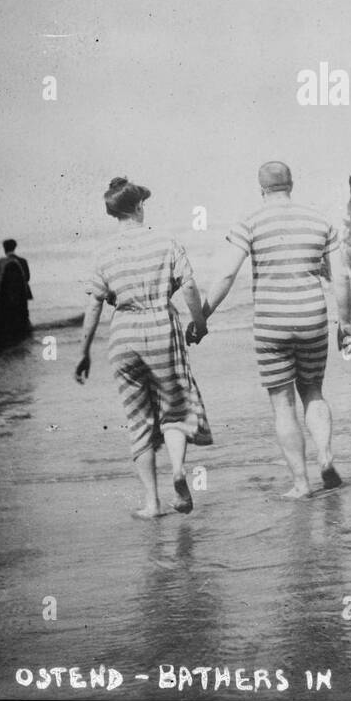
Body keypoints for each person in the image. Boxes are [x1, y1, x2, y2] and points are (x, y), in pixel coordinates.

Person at [195, 161, 351, 499]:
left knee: (282, 404)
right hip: (312, 319)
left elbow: (225, 276)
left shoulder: (249, 222)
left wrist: (202, 317)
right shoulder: (320, 221)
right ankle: (325, 456)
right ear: (291, 184)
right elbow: (341, 277)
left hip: (271, 326)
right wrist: (346, 322)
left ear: (261, 188)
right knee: (313, 391)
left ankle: (301, 483)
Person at [74, 177, 212, 519]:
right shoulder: (165, 240)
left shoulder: (104, 251)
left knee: (138, 420)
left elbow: (94, 306)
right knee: (175, 408)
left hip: (123, 336)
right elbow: (190, 286)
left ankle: (151, 503)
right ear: (138, 207)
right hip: (161, 327)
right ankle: (178, 472)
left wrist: (84, 351)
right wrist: (200, 322)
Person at [3, 239, 32, 324]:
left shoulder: (3, 262)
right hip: (23, 291)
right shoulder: (23, 261)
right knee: (24, 311)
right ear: (15, 247)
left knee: (12, 313)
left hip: (10, 293)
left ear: (4, 249)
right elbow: (27, 277)